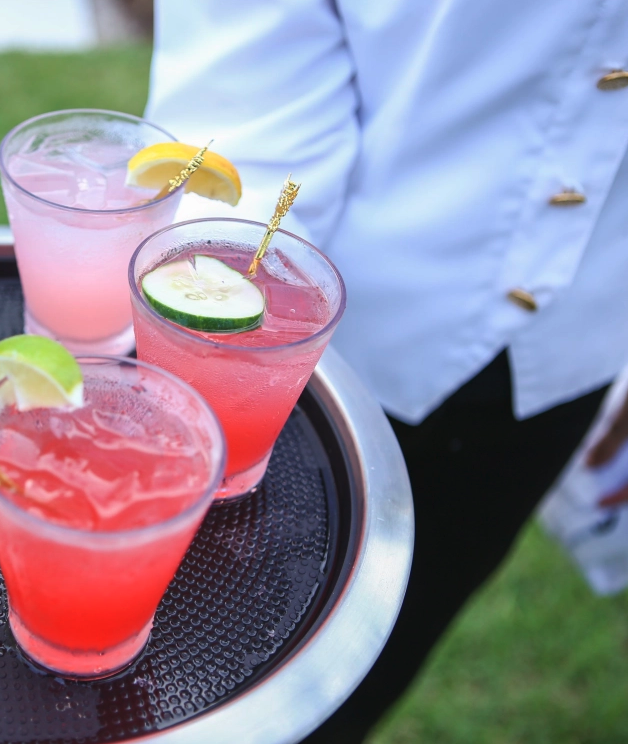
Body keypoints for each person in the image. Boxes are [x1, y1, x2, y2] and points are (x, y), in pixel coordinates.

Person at [144, 1, 628, 740]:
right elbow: (246, 94)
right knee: (189, 681)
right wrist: (213, 338)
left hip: (569, 348)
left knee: (363, 679)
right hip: (305, 367)